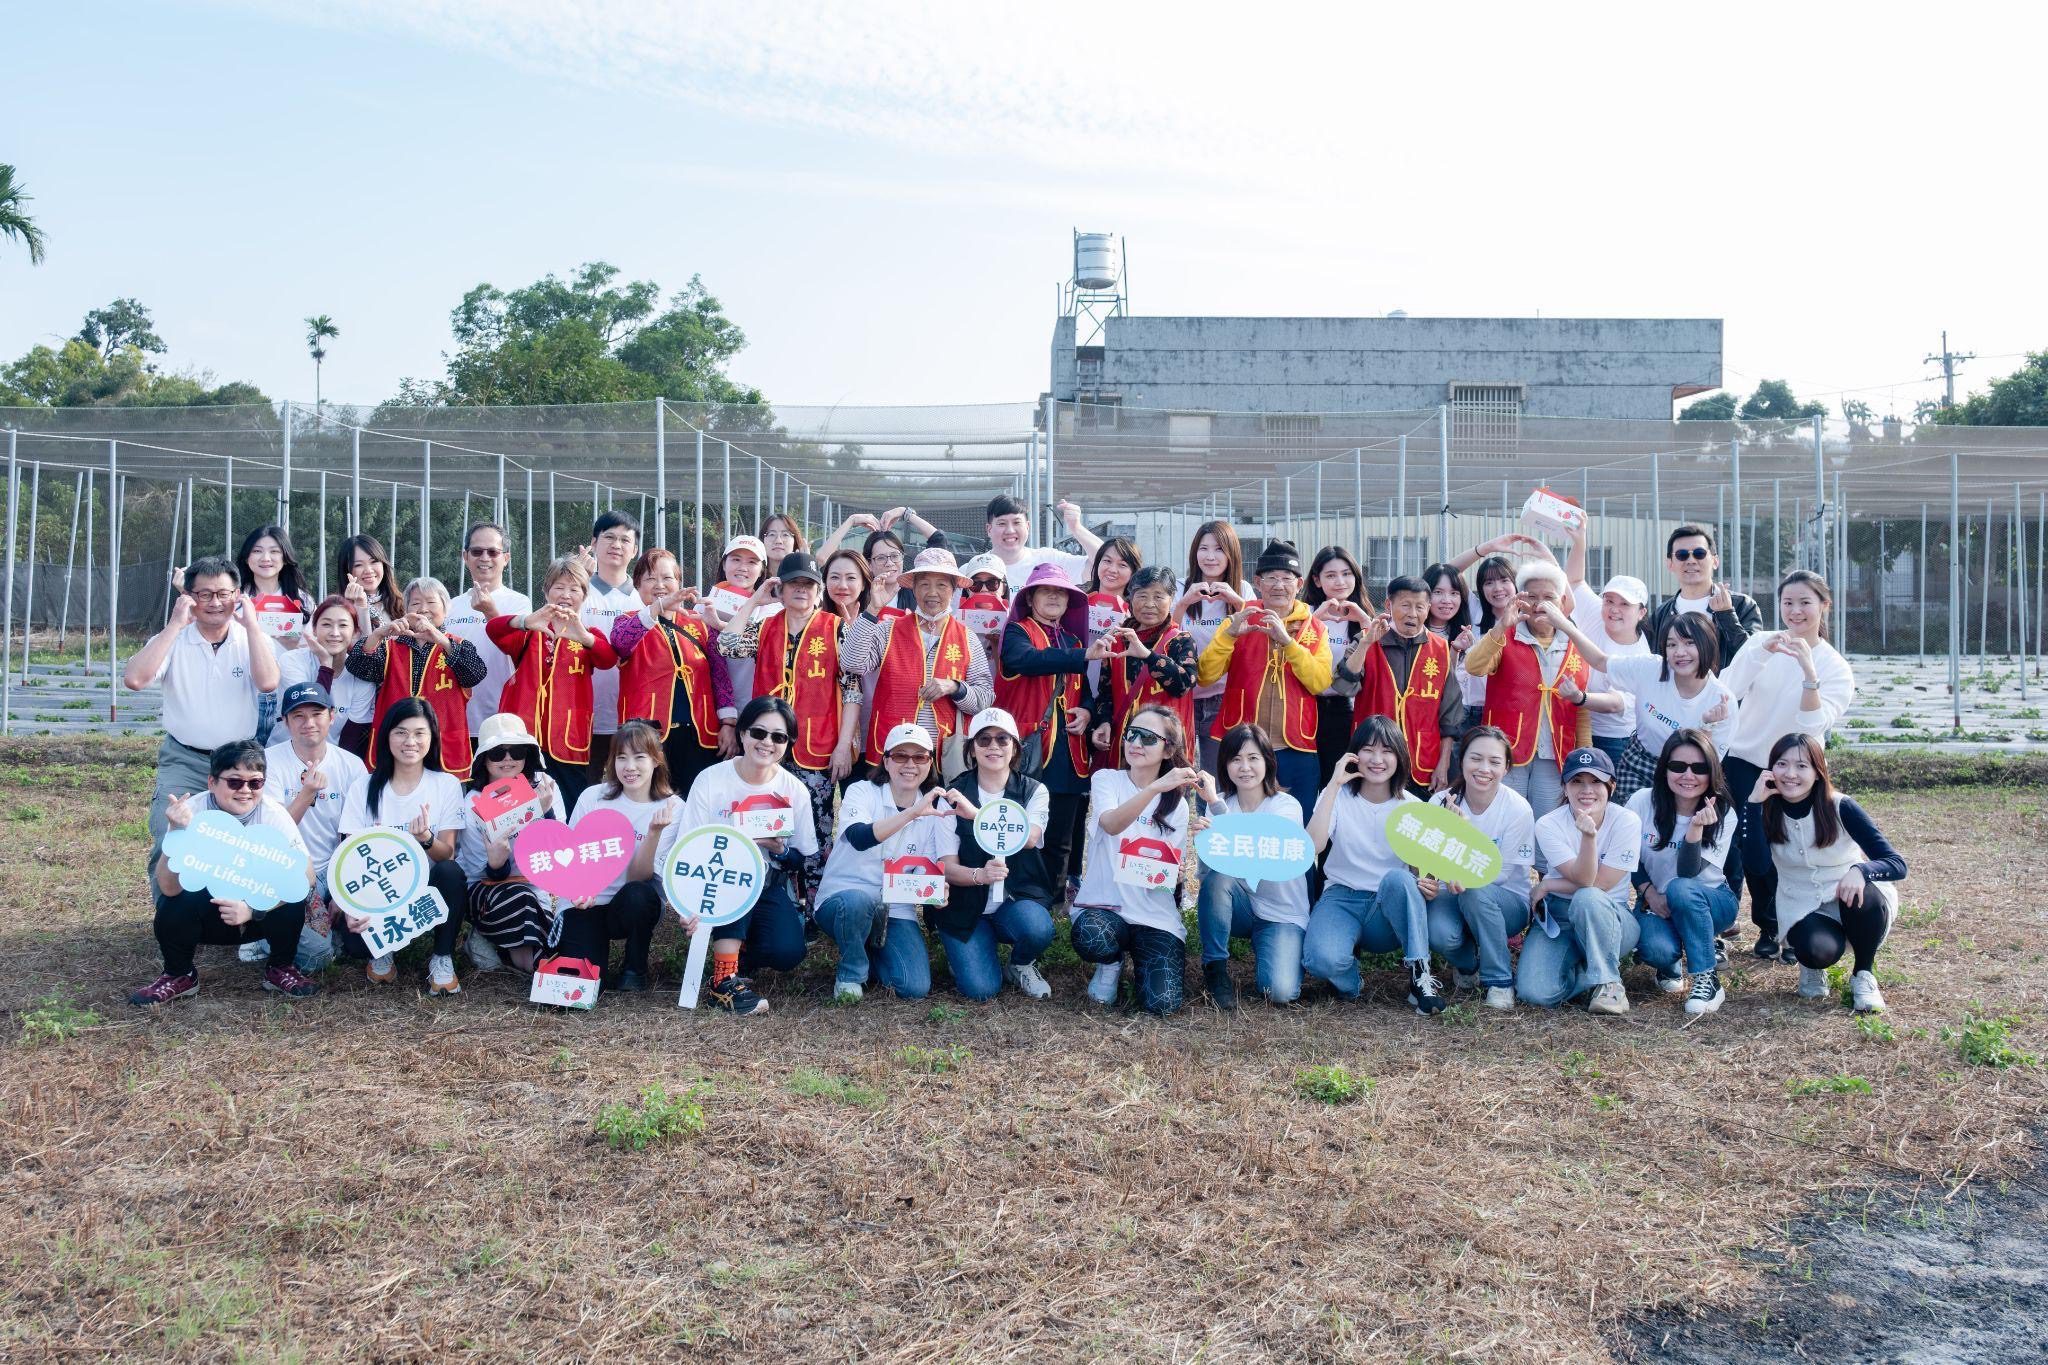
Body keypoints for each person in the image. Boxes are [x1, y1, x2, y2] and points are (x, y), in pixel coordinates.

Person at [1718, 570, 1856, 961]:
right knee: (1745, 849)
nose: (1795, 611)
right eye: (1788, 602)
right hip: (1744, 761)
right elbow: (1729, 688)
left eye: (1805, 603)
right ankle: (1748, 926)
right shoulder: (1763, 643)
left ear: (1824, 606)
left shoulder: (1835, 667)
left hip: (1796, 771)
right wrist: (1761, 652)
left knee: (1787, 848)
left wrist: (1809, 672)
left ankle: (1787, 926)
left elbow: (1814, 726)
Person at [129, 740, 320, 1005]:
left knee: (292, 893)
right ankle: (179, 973)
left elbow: (306, 877)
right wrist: (176, 832)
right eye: (234, 782)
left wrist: (254, 908)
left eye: (255, 783)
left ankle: (280, 966)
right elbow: (168, 887)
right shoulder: (191, 812)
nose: (245, 791)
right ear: (211, 782)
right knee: (173, 902)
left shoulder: (273, 814)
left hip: (257, 914)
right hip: (210, 911)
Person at [662, 697, 818, 1015]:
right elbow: (687, 847)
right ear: (743, 733)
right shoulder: (711, 780)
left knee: (788, 951)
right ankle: (724, 980)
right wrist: (685, 903)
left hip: (768, 883)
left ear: (788, 743)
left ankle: (740, 949)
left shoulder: (794, 790)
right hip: (716, 882)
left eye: (778, 737)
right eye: (759, 733)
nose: (767, 743)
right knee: (738, 870)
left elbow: (802, 859)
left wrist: (779, 848)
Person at [123, 555, 282, 865]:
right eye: (204, 594)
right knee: (170, 838)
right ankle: (170, 912)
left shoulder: (252, 639)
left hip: (238, 761)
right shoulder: (173, 639)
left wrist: (251, 625)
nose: (215, 602)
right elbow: (135, 679)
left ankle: (226, 912)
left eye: (223, 594)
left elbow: (268, 682)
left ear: (238, 596)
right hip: (184, 758)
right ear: (189, 597)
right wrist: (174, 624)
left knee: (238, 845)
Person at [718, 551, 855, 880]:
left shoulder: (837, 629)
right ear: (780, 588)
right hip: (767, 745)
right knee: (766, 820)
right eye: (794, 583)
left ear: (819, 590)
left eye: (809, 584)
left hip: (818, 745)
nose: (802, 590)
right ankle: (768, 894)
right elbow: (727, 643)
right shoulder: (765, 627)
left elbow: (853, 690)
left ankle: (810, 904)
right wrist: (754, 599)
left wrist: (843, 745)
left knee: (815, 827)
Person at [1756, 732, 1907, 1012]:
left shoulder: (1840, 806)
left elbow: (1896, 863)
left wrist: (1861, 871)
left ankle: (1864, 974)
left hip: (1853, 896)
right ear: (1770, 769)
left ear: (1817, 771)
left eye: (1802, 766)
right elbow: (1755, 865)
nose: (1790, 774)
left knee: (1859, 893)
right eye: (1782, 764)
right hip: (1802, 905)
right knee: (1818, 951)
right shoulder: (1764, 809)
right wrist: (1754, 804)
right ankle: (1812, 967)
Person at [1302, 715, 1442, 1014]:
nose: (1377, 759)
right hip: (1342, 897)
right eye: (1368, 749)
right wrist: (1333, 786)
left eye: (1387, 750)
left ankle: (1420, 975)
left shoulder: (1412, 807)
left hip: (1387, 906)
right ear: (1355, 754)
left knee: (1399, 879)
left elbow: (1420, 872)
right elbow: (1313, 846)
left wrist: (1429, 884)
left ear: (1400, 756)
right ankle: (1352, 983)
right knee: (1319, 960)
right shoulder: (1337, 797)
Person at [811, 724, 960, 1001]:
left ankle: (864, 945)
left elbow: (921, 870)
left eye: (920, 757)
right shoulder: (862, 791)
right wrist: (913, 813)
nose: (910, 765)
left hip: (894, 907)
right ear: (886, 761)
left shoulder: (935, 809)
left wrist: (934, 892)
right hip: (844, 899)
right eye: (901, 756)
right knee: (858, 903)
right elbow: (858, 838)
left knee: (913, 987)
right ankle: (851, 972)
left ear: (930, 762)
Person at [1069, 703, 1200, 1015]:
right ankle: (1111, 964)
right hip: (1106, 908)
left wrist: (1176, 874)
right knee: (1091, 937)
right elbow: (1112, 823)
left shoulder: (1177, 806)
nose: (1136, 743)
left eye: (1148, 738)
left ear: (1168, 751)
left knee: (1162, 1005)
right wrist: (1155, 787)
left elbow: (1167, 872)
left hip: (1154, 914)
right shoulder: (1107, 780)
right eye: (1132, 734)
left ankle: (1144, 959)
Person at [332, 699, 471, 993]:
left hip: (426, 890)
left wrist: (426, 840)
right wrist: (350, 906)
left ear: (432, 738)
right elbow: (349, 857)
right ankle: (384, 950)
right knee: (355, 945)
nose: (410, 741)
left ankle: (442, 957)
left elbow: (448, 853)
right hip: (378, 893)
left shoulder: (445, 785)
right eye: (401, 732)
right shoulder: (364, 787)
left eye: (420, 733)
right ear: (386, 737)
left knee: (450, 872)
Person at [994, 563, 1109, 899]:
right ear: (1030, 598)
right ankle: (1016, 897)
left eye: (1061, 592)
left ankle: (1056, 900)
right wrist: (1083, 654)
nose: (1055, 597)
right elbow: (1028, 661)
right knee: (1019, 827)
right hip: (1028, 745)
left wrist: (1087, 711)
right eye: (1047, 590)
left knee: (1060, 835)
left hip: (1068, 749)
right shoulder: (1016, 632)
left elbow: (1085, 691)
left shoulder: (1072, 639)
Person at [1545, 610, 1736, 803]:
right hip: (1640, 762)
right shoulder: (1651, 668)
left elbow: (1707, 764)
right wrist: (1565, 625)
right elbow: (1601, 661)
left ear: (1707, 644)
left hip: (1685, 772)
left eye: (1689, 643)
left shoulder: (1721, 699)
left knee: (1671, 827)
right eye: (1671, 644)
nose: (1679, 652)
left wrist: (1707, 727)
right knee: (1633, 824)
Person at [1196, 540, 1333, 806]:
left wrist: (1289, 644)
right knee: (1234, 822)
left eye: (1286, 578)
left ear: (1300, 583)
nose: (1279, 586)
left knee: (1295, 827)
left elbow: (1319, 682)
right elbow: (1205, 676)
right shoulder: (1238, 620)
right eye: (1271, 578)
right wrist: (1228, 637)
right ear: (1258, 581)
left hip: (1296, 745)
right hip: (1240, 746)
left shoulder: (1316, 629)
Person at [937, 709, 1058, 1001]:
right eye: (984, 739)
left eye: (1003, 739)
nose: (993, 746)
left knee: (1038, 928)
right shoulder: (952, 795)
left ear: (1015, 746)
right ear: (971, 748)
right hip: (966, 906)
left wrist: (976, 815)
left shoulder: (1034, 790)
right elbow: (946, 868)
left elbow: (1029, 838)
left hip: (1014, 900)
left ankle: (1020, 964)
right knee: (981, 990)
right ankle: (972, 951)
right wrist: (980, 876)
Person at [837, 547, 994, 769]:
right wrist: (872, 609)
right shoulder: (889, 629)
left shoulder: (966, 637)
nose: (932, 592)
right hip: (890, 752)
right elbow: (852, 663)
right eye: (924, 584)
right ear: (914, 589)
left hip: (942, 757)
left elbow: (985, 697)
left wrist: (955, 687)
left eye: (941, 585)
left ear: (953, 589)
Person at [488, 555, 619, 815]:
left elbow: (608, 659)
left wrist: (584, 637)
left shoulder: (590, 634)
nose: (566, 595)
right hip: (524, 740)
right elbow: (494, 630)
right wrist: (524, 621)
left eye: (574, 589)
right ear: (546, 591)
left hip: (568, 740)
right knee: (515, 812)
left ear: (584, 595)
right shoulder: (529, 630)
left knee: (567, 809)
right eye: (559, 587)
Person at [1461, 561, 1591, 821]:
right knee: (1503, 820)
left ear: (1563, 601)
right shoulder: (1504, 636)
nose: (1540, 604)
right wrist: (1500, 627)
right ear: (1520, 600)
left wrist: (1584, 753)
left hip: (1554, 750)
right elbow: (1473, 666)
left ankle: (1541, 865)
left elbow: (1582, 705)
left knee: (1548, 821)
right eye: (1531, 597)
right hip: (1508, 750)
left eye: (1549, 597)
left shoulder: (1576, 641)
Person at [255, 681, 367, 975]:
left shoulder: (351, 765)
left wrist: (345, 894)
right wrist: (306, 795)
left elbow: (356, 836)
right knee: (318, 958)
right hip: (287, 869)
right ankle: (264, 931)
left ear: (332, 715)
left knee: (363, 944)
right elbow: (274, 835)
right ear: (285, 722)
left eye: (317, 714)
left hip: (335, 869)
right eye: (298, 716)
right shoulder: (268, 763)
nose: (309, 723)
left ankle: (327, 922)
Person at [559, 720, 679, 994]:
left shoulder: (672, 808)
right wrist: (579, 890)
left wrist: (653, 834)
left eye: (639, 757)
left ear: (656, 760)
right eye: (621, 758)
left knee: (639, 894)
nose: (630, 767)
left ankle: (634, 969)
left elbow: (638, 878)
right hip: (586, 903)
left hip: (630, 903)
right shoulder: (593, 797)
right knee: (581, 984)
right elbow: (570, 854)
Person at [1420, 725, 1535, 1011]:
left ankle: (1499, 981)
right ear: (1462, 760)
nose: (1484, 768)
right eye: (1476, 758)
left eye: (1495, 762)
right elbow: (1426, 863)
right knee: (1440, 932)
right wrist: (1431, 879)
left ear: (1506, 768)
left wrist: (1463, 837)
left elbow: (1503, 873)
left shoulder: (1518, 809)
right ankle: (1468, 964)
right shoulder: (1440, 802)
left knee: (1475, 891)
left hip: (1506, 902)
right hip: (1454, 895)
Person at [1519, 747, 1642, 1014]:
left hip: (1609, 914)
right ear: (1564, 787)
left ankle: (1610, 985)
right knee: (1535, 992)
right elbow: (1584, 878)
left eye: (1596, 781)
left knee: (1587, 898)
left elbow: (1598, 885)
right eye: (1577, 781)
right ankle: (1588, 974)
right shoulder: (1549, 823)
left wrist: (1549, 883)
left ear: (1611, 785)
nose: (1587, 790)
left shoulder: (1627, 821)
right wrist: (1588, 839)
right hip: (1561, 916)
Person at [1195, 724, 1309, 1009]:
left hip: (1281, 914)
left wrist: (1217, 813)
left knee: (1279, 992)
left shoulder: (1286, 806)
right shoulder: (1219, 804)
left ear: (1268, 762)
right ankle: (1215, 969)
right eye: (1235, 759)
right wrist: (1204, 843)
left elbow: (1255, 849)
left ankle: (1282, 950)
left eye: (1253, 758)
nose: (1244, 767)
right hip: (1241, 907)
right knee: (1219, 878)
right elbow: (1212, 873)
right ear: (1225, 765)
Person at [1627, 728, 1738, 1014]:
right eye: (1678, 766)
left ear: (1711, 771)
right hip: (1658, 901)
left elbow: (1687, 874)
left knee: (1680, 888)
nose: (1688, 776)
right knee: (1658, 950)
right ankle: (1670, 965)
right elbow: (1625, 856)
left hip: (1711, 900)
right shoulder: (1642, 802)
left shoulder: (1723, 812)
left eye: (1699, 768)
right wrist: (1649, 892)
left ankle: (1706, 979)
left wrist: (1695, 829)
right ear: (1664, 769)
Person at [613, 547, 738, 798]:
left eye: (667, 578)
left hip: (700, 733)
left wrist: (728, 722)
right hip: (649, 737)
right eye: (650, 578)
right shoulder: (627, 622)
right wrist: (656, 609)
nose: (659, 585)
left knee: (699, 801)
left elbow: (719, 674)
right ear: (637, 586)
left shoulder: (700, 622)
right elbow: (620, 643)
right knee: (653, 803)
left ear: (678, 583)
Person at [345, 576, 486, 781]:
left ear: (446, 610)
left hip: (443, 748)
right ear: (406, 610)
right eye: (416, 603)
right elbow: (357, 666)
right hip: (396, 746)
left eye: (431, 602)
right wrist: (377, 635)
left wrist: (439, 639)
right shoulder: (389, 646)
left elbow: (475, 674)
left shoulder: (458, 645)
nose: (423, 609)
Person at [458, 713, 567, 975]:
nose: (508, 759)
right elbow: (475, 871)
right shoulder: (472, 803)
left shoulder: (546, 789)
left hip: (536, 887)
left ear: (527, 755)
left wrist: (545, 813)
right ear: (484, 759)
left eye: (516, 751)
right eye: (497, 753)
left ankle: (505, 951)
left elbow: (561, 854)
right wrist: (496, 865)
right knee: (521, 900)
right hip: (487, 890)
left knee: (552, 923)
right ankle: (535, 969)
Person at [1341, 575, 1463, 796]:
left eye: (1420, 607)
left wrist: (1444, 763)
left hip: (1424, 759)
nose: (1412, 614)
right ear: (1389, 605)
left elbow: (1450, 715)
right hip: (1375, 758)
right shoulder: (1366, 640)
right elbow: (1344, 686)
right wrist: (1366, 645)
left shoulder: (1441, 649)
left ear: (1429, 608)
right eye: (1405, 605)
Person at [1561, 523, 1653, 767]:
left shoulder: (1638, 654)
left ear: (1641, 612)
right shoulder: (1596, 614)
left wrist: (1578, 697)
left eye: (1625, 604)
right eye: (1609, 600)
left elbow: (1615, 704)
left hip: (1614, 739)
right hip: (1577, 724)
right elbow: (1575, 581)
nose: (1614, 609)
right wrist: (1580, 541)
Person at [1091, 564, 1197, 761]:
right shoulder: (1117, 638)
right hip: (1124, 745)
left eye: (1158, 597)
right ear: (1130, 599)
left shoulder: (1180, 640)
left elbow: (1184, 684)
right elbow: (1105, 692)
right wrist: (1103, 722)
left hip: (1165, 748)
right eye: (1142, 596)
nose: (1149, 604)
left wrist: (1149, 656)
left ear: (1171, 599)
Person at [441, 520, 532, 748]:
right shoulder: (450, 606)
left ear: (506, 558)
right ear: (465, 557)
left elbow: (518, 649)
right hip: (456, 718)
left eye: (493, 552)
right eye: (476, 551)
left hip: (503, 720)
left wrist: (490, 612)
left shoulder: (519, 603)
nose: (485, 558)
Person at [1172, 520, 1252, 771]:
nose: (1210, 556)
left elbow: (1258, 632)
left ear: (1231, 554)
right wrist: (1184, 603)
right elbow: (1165, 636)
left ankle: (1211, 811)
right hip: (1181, 694)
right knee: (1177, 769)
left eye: (1218, 549)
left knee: (1216, 774)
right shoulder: (1178, 587)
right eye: (1203, 548)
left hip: (1222, 697)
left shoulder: (1243, 589)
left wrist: (1237, 601)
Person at [578, 509, 643, 784]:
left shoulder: (644, 598)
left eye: (625, 540)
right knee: (585, 791)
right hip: (583, 716)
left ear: (635, 549)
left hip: (632, 718)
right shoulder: (577, 593)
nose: (617, 545)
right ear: (594, 543)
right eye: (609, 537)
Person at [1645, 523, 1763, 669]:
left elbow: (1754, 658)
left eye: (1699, 553)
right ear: (1670, 564)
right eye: (1682, 555)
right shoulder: (1660, 615)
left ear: (1715, 561)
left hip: (1726, 691)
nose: (1691, 560)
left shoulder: (1742, 605)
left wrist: (1727, 615)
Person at [1303, 546, 1374, 788]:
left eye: (1346, 574)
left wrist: (1365, 622)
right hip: (1307, 705)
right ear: (1317, 580)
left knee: (1340, 780)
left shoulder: (1364, 618)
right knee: (1310, 779)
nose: (1340, 582)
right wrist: (1313, 622)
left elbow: (1378, 665)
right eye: (1330, 575)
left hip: (1346, 709)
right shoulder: (1305, 614)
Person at [269, 595, 376, 751]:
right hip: (285, 753)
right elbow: (310, 710)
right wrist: (326, 665)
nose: (334, 632)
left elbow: (351, 736)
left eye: (343, 625)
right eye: (326, 624)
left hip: (330, 758)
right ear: (314, 629)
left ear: (355, 632)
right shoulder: (292, 660)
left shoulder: (360, 675)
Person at [237, 524, 315, 734]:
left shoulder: (302, 600)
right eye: (257, 551)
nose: (266, 558)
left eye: (274, 551)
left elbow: (312, 650)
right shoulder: (235, 599)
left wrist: (292, 643)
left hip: (286, 696)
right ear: (246, 557)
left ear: (285, 557)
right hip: (242, 694)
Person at [982, 493, 1104, 595]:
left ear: (1028, 527)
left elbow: (1103, 564)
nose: (1010, 530)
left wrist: (1076, 527)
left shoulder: (1048, 560)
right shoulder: (973, 571)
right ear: (989, 529)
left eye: (1016, 523)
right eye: (1001, 523)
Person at [699, 533, 771, 702]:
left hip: (752, 704)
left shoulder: (770, 609)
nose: (742, 567)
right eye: (736, 559)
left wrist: (718, 625)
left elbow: (763, 645)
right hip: (708, 705)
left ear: (762, 570)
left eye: (752, 562)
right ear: (724, 564)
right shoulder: (705, 603)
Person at [336, 533, 403, 631]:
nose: (368, 570)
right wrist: (360, 606)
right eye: (358, 565)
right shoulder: (338, 610)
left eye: (374, 562)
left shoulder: (401, 603)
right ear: (346, 570)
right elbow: (362, 645)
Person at [821, 547, 874, 623]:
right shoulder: (814, 621)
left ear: (863, 584)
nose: (842, 586)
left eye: (851, 578)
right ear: (825, 581)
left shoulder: (880, 622)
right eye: (835, 577)